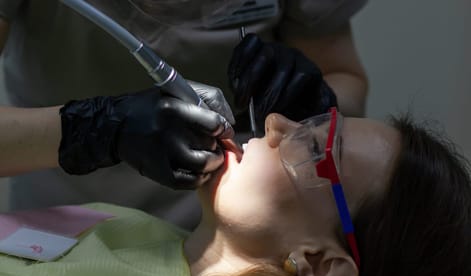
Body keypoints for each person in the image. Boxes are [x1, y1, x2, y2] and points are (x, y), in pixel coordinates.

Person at [1, 109, 470, 276]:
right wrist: (81, 130)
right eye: (310, 122)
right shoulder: (119, 220)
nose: (274, 122)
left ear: (320, 262)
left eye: (315, 148)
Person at [0, 0, 368, 230]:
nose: (275, 131)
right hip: (63, 227)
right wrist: (92, 129)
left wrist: (317, 100)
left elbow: (345, 81)